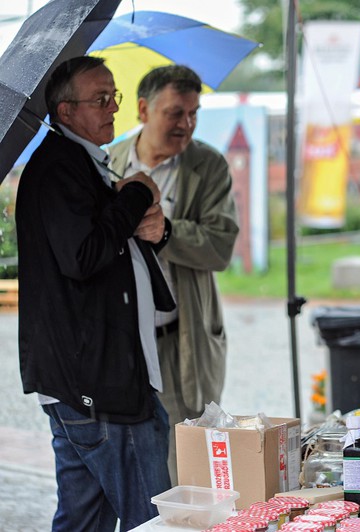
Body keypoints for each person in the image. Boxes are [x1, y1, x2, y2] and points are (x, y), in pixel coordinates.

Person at [16, 56, 172, 530]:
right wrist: (137, 193)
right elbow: (83, 255)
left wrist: (154, 228)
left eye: (114, 96)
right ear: (65, 112)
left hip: (96, 377)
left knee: (84, 518)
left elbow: (117, 243)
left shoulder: (83, 163)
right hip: (97, 382)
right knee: (150, 517)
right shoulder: (60, 168)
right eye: (99, 99)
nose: (112, 108)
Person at [109, 65, 239, 484]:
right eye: (175, 113)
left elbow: (221, 245)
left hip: (179, 340)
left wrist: (167, 230)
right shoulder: (106, 162)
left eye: (193, 113)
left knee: (187, 465)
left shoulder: (208, 165)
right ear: (143, 110)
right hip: (120, 342)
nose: (186, 124)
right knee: (123, 463)